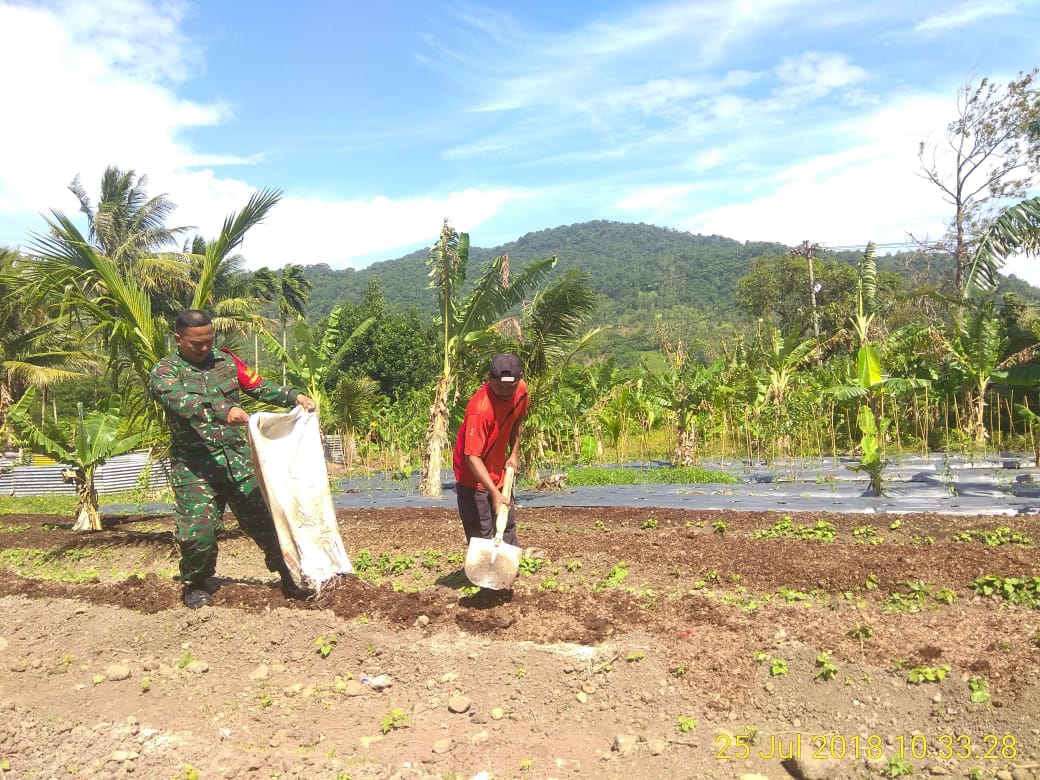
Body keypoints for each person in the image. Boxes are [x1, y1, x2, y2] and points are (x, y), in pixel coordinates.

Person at [148, 309, 317, 608]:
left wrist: (294, 397)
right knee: (198, 534)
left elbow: (258, 386)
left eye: (209, 341)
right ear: (178, 339)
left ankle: (290, 576)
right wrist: (223, 410)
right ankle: (196, 583)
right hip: (195, 468)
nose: (204, 348)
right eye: (196, 343)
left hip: (237, 461)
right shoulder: (165, 372)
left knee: (269, 524)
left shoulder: (225, 361)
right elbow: (182, 402)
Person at [452, 353, 530, 548]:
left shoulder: (521, 390)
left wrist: (514, 454)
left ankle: (508, 564)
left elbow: (517, 419)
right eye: (499, 386)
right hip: (473, 479)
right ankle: (483, 568)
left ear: (519, 379)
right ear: (489, 379)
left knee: (507, 528)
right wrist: (495, 495)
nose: (505, 392)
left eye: (510, 387)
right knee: (482, 537)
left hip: (499, 473)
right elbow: (472, 458)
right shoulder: (480, 409)